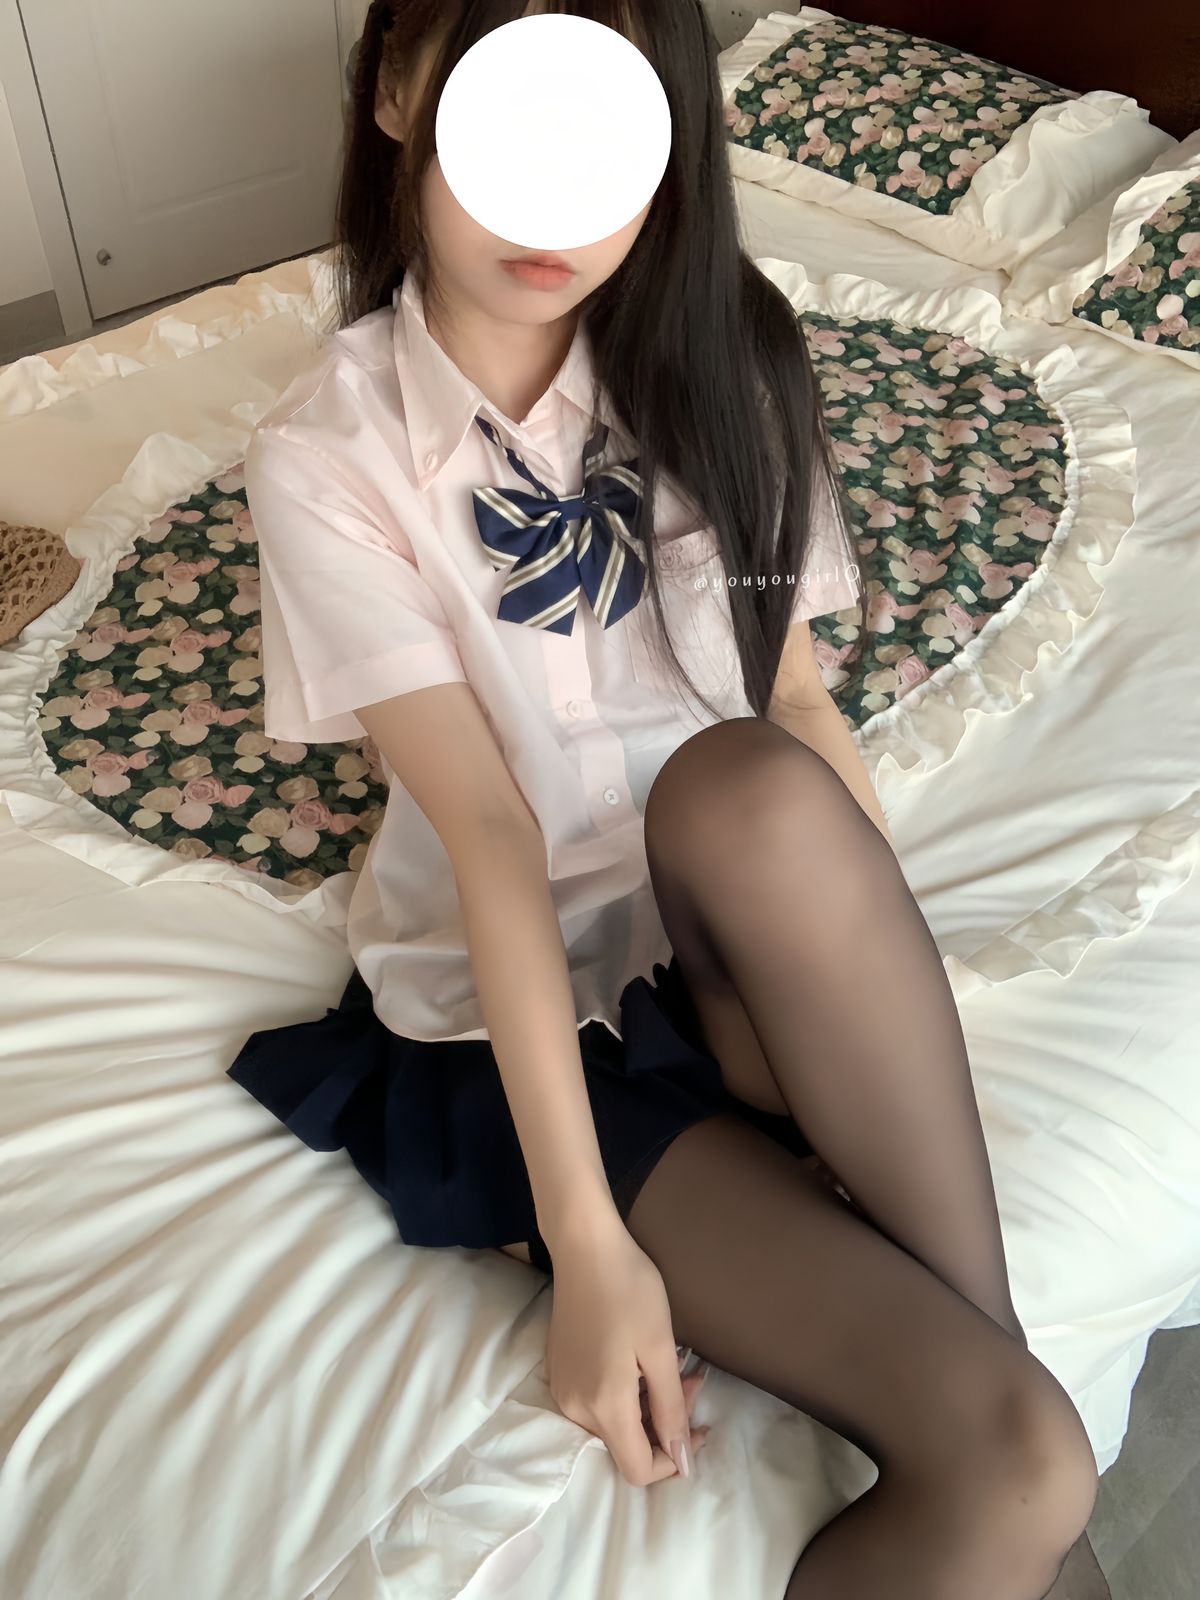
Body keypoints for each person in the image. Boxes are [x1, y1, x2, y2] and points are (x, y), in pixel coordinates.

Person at [227, 4, 1111, 1595]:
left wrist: (874, 994)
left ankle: (1004, 1433)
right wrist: (587, 1243)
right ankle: (1022, 1459)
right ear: (401, 91)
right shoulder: (326, 452)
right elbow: (490, 833)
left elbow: (796, 705)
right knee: (1026, 1458)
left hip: (730, 930)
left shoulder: (730, 363)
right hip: (529, 1020)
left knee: (746, 776)